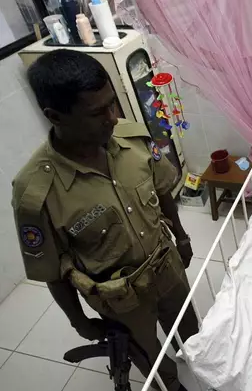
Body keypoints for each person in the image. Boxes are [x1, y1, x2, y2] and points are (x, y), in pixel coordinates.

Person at [11, 49, 198, 391]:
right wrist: (78, 320)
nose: (112, 118)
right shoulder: (36, 192)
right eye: (97, 112)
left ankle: (201, 365)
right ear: (55, 116)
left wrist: (182, 238)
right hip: (121, 298)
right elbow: (52, 270)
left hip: (166, 266)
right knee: (151, 359)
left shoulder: (134, 140)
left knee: (193, 333)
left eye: (112, 104)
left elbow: (163, 191)